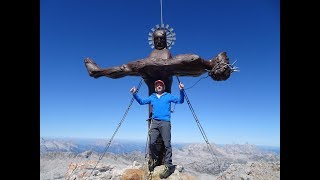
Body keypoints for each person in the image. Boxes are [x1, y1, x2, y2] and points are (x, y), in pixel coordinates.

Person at [130, 79, 185, 178]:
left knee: (167, 144)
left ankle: (168, 165)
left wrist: (181, 90)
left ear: (163, 87)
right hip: (155, 122)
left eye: (160, 85)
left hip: (165, 122)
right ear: (155, 88)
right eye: (157, 85)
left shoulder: (168, 96)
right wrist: (134, 94)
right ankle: (155, 159)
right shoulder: (152, 97)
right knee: (152, 142)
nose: (159, 86)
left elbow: (181, 101)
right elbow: (141, 102)